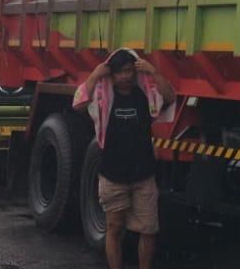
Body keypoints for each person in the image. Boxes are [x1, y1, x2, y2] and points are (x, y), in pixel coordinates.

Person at [74, 48, 175, 269]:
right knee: (115, 228)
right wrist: (95, 75)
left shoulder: (145, 95)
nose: (124, 76)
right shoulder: (103, 98)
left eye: (129, 71)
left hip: (143, 175)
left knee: (149, 229)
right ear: (111, 75)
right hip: (112, 175)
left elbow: (169, 97)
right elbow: (79, 104)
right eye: (119, 72)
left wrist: (154, 72)